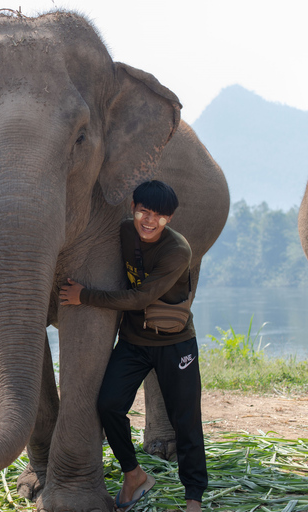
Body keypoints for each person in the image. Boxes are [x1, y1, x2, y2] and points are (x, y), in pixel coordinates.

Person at [60, 180, 207, 512]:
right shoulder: (125, 232)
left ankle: (193, 499)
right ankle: (133, 473)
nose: (150, 221)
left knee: (185, 420)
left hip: (175, 344)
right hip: (133, 342)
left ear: (170, 218)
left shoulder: (177, 251)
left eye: (159, 216)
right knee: (109, 405)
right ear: (133, 208)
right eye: (144, 211)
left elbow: (139, 297)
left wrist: (84, 296)